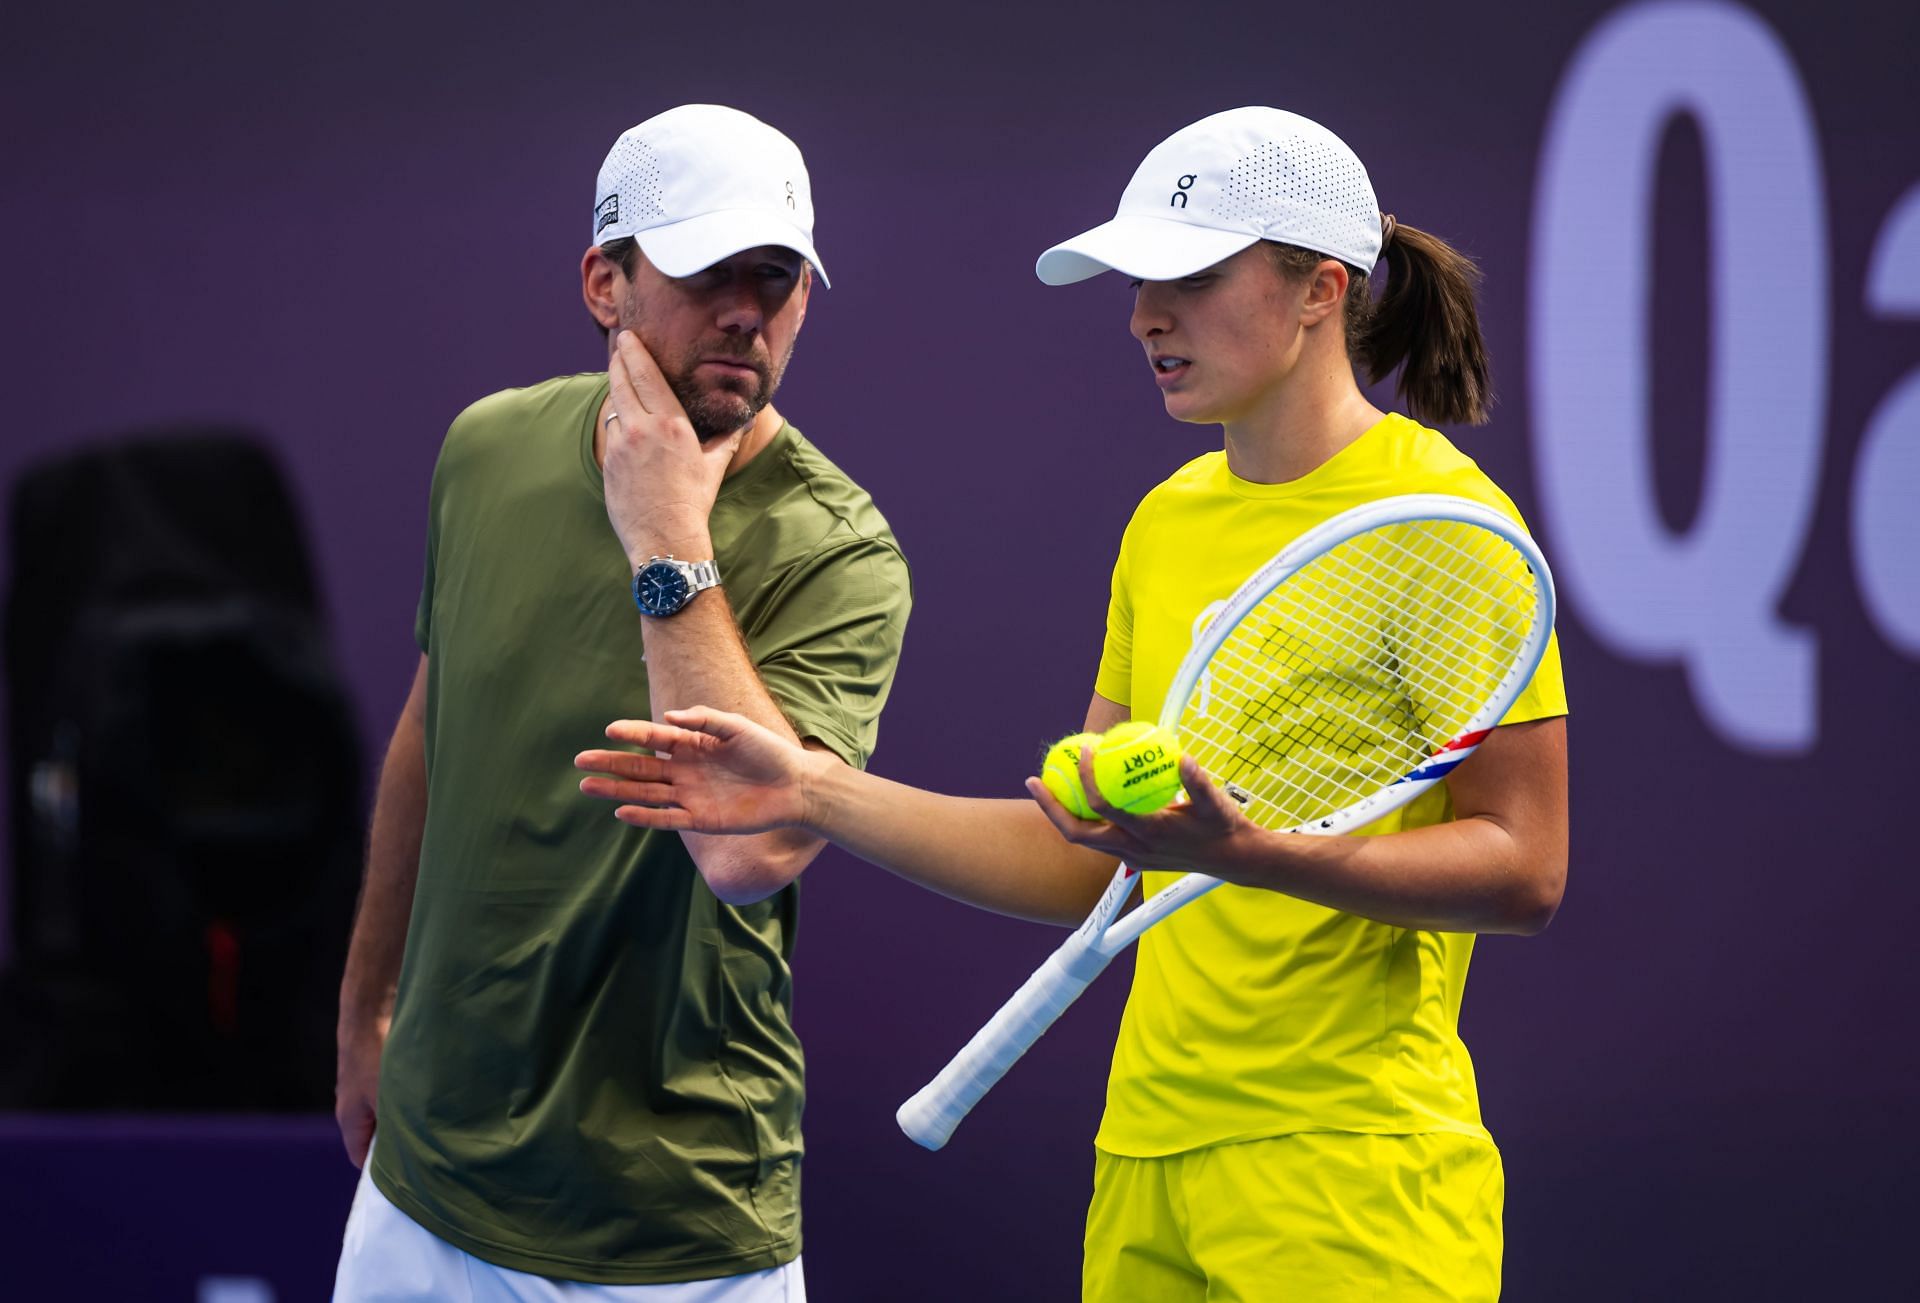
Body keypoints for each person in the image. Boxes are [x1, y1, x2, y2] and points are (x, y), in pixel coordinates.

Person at [575, 106, 1567, 1300]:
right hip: (1146, 1157)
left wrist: (1249, 850)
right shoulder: (1167, 523)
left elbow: (1526, 868)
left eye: (1191, 275)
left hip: (1354, 1175)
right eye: (1138, 279)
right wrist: (812, 787)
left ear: (1321, 290)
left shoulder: (1444, 526)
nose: (1148, 313)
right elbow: (1079, 860)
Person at [332, 104, 912, 1300]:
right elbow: (429, 741)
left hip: (675, 1225)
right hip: (421, 1188)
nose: (747, 310)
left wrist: (665, 535)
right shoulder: (487, 447)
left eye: (778, 276)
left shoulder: (841, 550)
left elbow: (751, 851)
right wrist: (367, 1006)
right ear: (606, 281)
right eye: (707, 273)